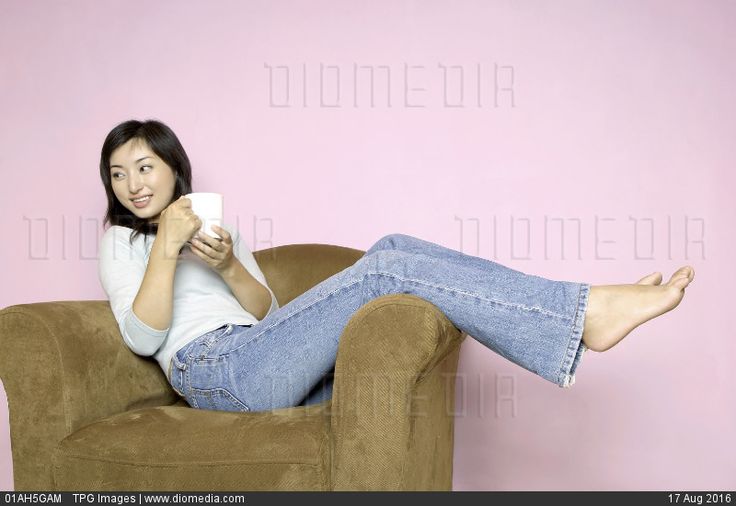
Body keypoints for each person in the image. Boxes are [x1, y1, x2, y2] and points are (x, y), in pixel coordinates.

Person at [97, 119, 696, 413]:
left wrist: (228, 265)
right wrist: (166, 247)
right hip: (212, 370)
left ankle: (577, 314)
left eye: (144, 167)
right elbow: (144, 335)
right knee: (382, 272)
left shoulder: (219, 229)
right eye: (118, 175)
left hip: (257, 353)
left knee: (390, 246)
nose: (132, 185)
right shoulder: (121, 242)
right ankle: (582, 312)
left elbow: (269, 315)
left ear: (174, 167)